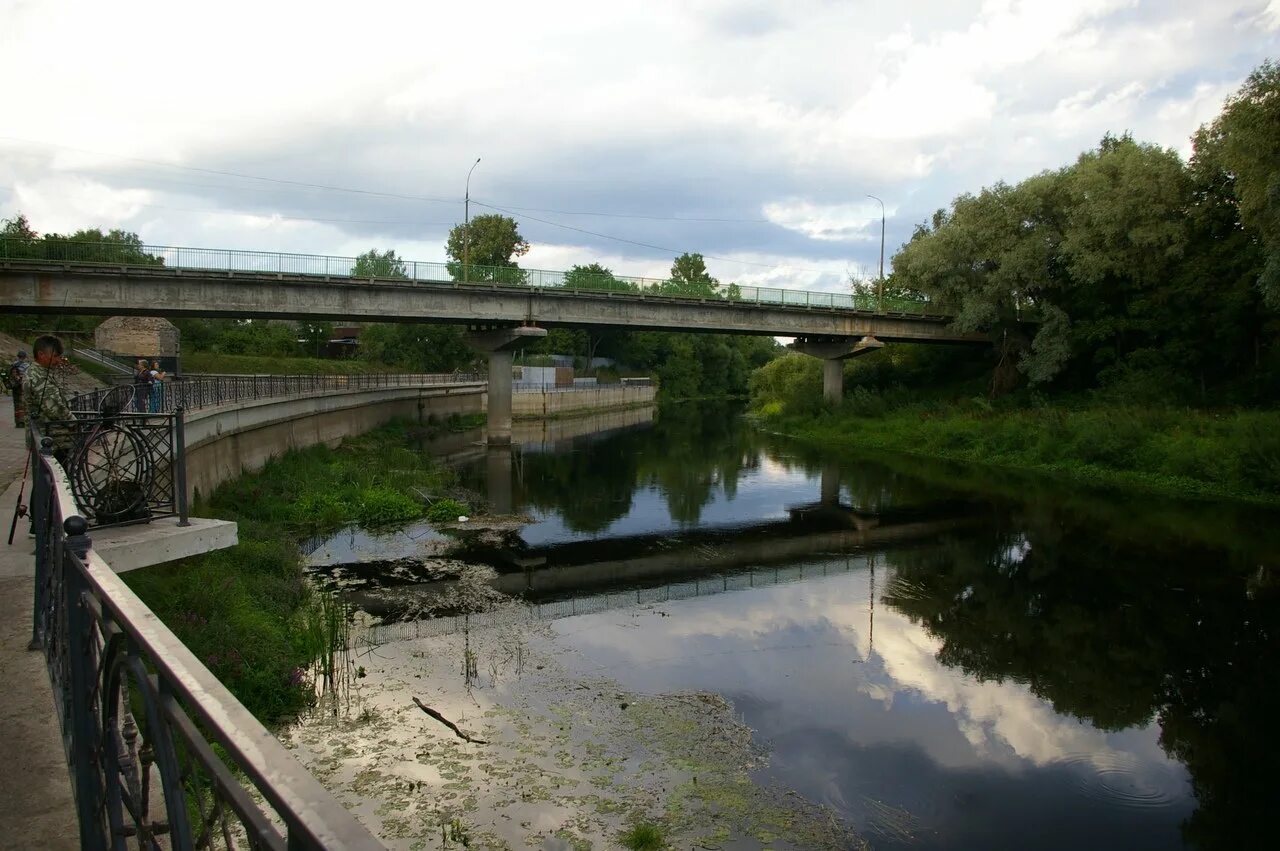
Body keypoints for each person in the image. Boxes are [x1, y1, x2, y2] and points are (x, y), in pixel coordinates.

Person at [23, 336, 75, 463]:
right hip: (51, 440)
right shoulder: (37, 376)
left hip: (51, 439)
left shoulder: (39, 372)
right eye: (56, 356)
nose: (58, 360)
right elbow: (54, 408)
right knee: (56, 479)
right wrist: (73, 422)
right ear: (41, 354)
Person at [3, 350, 29, 427]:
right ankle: (24, 421)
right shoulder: (27, 365)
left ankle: (18, 422)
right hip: (23, 387)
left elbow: (8, 375)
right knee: (24, 404)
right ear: (25, 357)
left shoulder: (13, 365)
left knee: (17, 404)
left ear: (18, 356)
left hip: (15, 387)